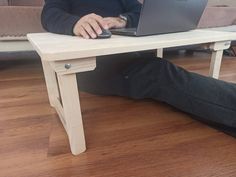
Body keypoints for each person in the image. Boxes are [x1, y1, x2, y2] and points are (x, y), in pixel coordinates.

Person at [41, 0, 236, 136]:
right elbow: (49, 14)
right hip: (93, 65)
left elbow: (139, 11)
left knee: (162, 74)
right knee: (160, 74)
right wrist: (75, 23)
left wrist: (122, 20)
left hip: (130, 53)